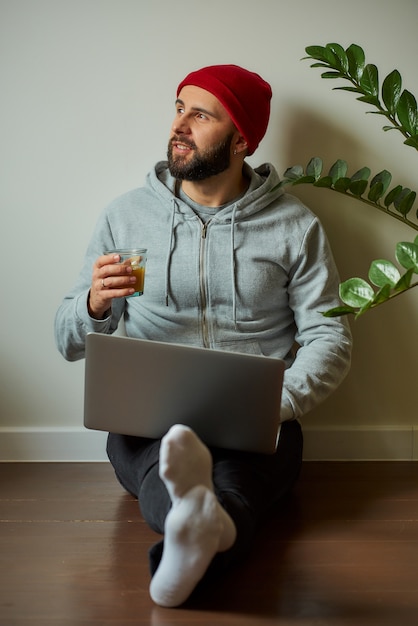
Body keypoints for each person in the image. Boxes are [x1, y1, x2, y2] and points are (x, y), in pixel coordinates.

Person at [55, 64, 352, 607]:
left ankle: (187, 541)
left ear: (242, 139)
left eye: (200, 113)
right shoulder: (126, 216)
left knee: (237, 478)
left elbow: (330, 339)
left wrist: (275, 405)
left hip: (261, 424)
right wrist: (96, 305)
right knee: (163, 468)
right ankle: (203, 530)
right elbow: (67, 340)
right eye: (178, 107)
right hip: (149, 423)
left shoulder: (295, 226)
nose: (180, 124)